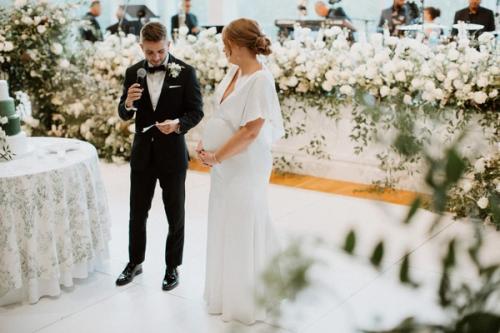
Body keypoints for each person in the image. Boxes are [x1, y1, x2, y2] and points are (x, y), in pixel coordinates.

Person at [198, 18, 284, 324]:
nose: (223, 50)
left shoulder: (261, 79)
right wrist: (207, 146)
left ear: (237, 45)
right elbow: (224, 115)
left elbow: (250, 132)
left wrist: (218, 156)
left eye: (225, 44)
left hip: (244, 164)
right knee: (225, 221)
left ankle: (248, 299)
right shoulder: (235, 70)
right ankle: (226, 293)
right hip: (223, 163)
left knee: (243, 222)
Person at [115, 22, 204, 291]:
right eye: (149, 52)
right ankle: (134, 262)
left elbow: (196, 111)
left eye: (160, 52)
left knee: (174, 212)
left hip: (172, 154)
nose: (155, 57)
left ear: (169, 46)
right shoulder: (133, 72)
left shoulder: (186, 72)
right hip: (143, 152)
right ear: (141, 47)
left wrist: (178, 124)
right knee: (137, 212)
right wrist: (128, 103)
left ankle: (172, 267)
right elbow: (123, 111)